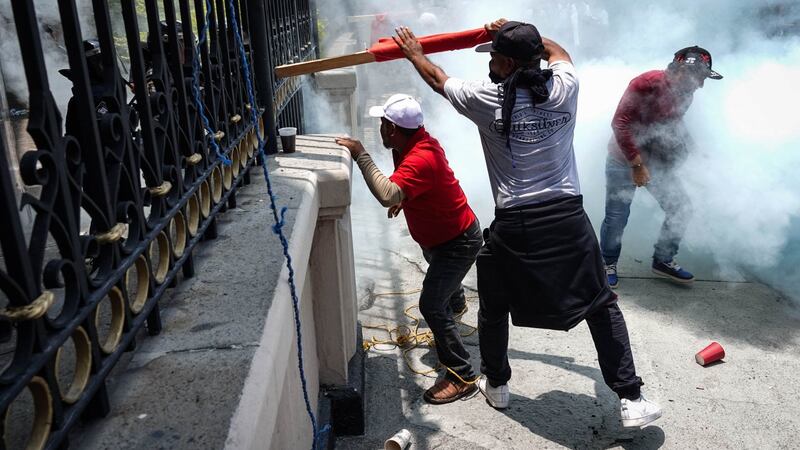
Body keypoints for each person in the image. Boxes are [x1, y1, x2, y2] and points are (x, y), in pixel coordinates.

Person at [392, 19, 661, 427]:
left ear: (506, 62)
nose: (491, 62)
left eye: (495, 56)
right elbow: (561, 54)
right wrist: (523, 35)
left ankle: (497, 386)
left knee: (494, 304)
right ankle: (632, 398)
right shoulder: (564, 88)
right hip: (567, 216)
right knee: (601, 305)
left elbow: (437, 79)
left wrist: (414, 54)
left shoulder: (486, 98)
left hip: (516, 222)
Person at [335, 94, 482, 405]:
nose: (379, 129)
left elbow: (387, 193)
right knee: (440, 281)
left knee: (431, 305)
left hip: (458, 242)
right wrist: (408, 197)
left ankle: (462, 375)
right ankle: (454, 307)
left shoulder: (421, 156)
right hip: (443, 240)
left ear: (391, 128)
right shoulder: (414, 143)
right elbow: (410, 188)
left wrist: (361, 154)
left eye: (382, 124)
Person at [600, 46, 723, 288]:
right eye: (699, 77)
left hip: (655, 161)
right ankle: (607, 263)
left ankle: (663, 260)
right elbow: (619, 124)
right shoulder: (645, 83)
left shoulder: (687, 92)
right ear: (682, 71)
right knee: (617, 217)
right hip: (623, 160)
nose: (701, 85)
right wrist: (637, 164)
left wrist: (694, 149)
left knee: (681, 207)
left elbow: (673, 121)